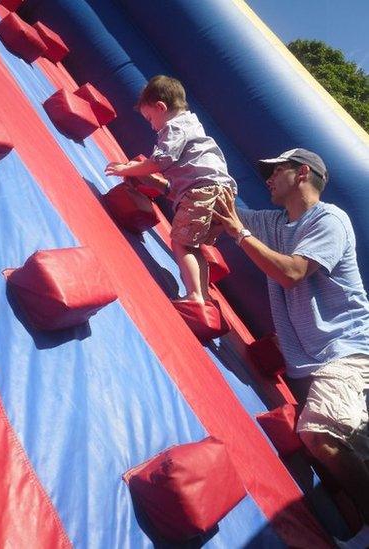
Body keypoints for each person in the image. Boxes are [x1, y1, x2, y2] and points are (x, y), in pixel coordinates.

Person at [213, 148, 369, 548]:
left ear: (302, 173)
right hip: (319, 361)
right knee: (355, 449)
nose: (267, 177)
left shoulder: (329, 220)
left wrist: (240, 233)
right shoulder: (280, 222)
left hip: (349, 351)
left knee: (319, 433)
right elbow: (230, 215)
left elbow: (293, 274)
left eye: (275, 170)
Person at [105, 75, 237, 304]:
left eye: (149, 118)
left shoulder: (175, 127)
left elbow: (159, 162)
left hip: (204, 190)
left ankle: (195, 295)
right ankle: (202, 296)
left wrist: (128, 169)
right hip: (219, 192)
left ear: (160, 107)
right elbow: (182, 179)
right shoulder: (192, 124)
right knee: (192, 246)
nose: (151, 124)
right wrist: (153, 180)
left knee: (180, 242)